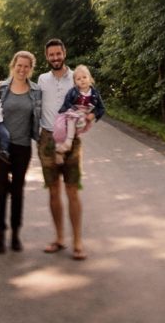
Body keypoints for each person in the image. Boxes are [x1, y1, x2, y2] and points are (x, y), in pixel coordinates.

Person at [36, 38, 94, 260]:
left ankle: (78, 242)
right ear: (46, 57)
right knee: (53, 190)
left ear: (64, 53)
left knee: (72, 190)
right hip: (47, 139)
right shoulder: (42, 79)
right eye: (51, 55)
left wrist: (89, 118)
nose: (55, 58)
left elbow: (93, 102)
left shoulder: (77, 77)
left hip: (72, 140)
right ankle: (60, 238)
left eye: (58, 54)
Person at [0, 51, 40, 254]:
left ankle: (15, 233)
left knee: (17, 190)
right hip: (0, 146)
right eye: (19, 65)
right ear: (13, 65)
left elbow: (43, 115)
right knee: (1, 189)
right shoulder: (0, 88)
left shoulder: (35, 91)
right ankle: (0, 234)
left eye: (26, 66)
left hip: (22, 147)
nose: (22, 69)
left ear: (31, 68)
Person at [53, 64, 105, 165]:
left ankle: (63, 148)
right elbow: (67, 103)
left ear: (90, 78)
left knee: (77, 125)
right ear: (75, 82)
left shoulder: (94, 93)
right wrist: (74, 110)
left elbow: (101, 108)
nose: (82, 80)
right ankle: (62, 148)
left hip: (84, 116)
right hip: (73, 112)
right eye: (78, 79)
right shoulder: (72, 91)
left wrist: (93, 115)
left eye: (84, 77)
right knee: (60, 129)